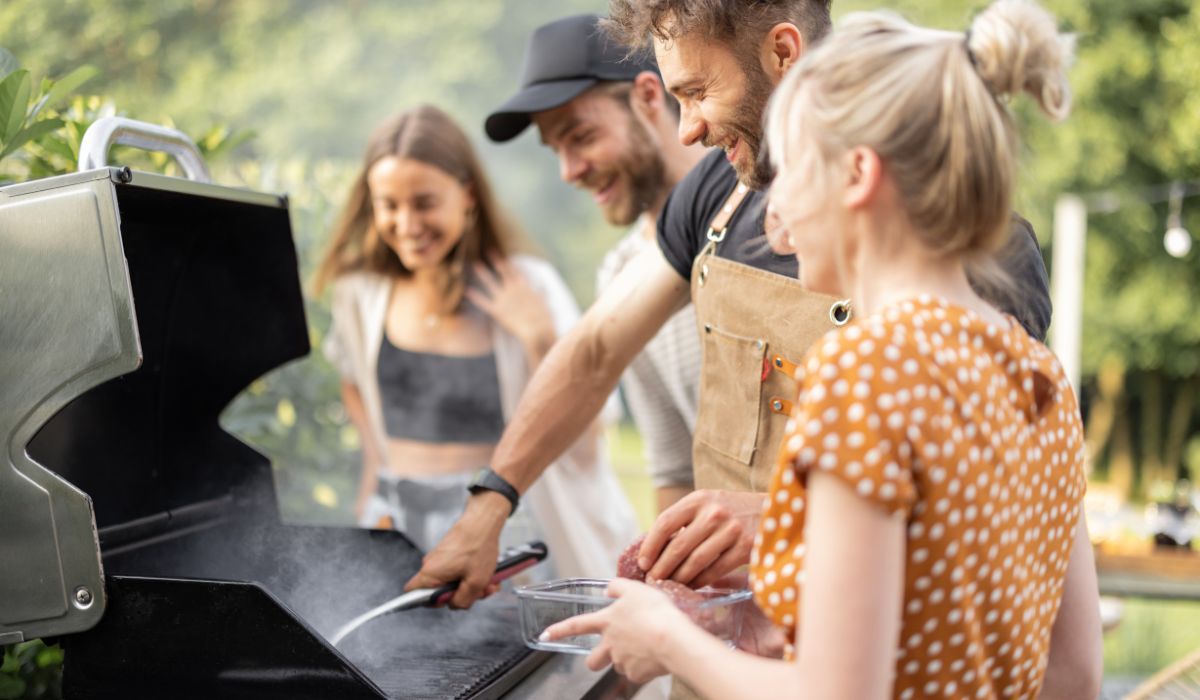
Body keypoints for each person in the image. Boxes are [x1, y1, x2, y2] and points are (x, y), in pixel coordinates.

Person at [405, 0, 1052, 609]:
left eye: (696, 92)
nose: (686, 131)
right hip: (722, 652)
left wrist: (779, 522)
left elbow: (980, 513)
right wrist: (490, 504)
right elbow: (597, 351)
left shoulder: (975, 256)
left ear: (783, 52)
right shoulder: (716, 191)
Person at [543, 3, 1103, 698]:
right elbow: (1074, 677)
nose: (773, 221)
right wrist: (759, 628)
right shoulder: (1036, 374)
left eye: (792, 173)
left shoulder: (862, 372)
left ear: (859, 175)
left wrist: (667, 639)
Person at [314, 105, 637, 577]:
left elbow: (590, 428)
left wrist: (540, 335)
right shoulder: (361, 294)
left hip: (499, 524)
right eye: (389, 205)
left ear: (466, 195)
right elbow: (353, 381)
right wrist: (372, 470)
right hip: (393, 520)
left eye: (424, 203)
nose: (407, 224)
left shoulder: (530, 284)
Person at [484, 14, 707, 514]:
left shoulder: (759, 215)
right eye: (556, 150)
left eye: (581, 136)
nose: (569, 171)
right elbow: (675, 470)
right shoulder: (619, 274)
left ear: (649, 97)